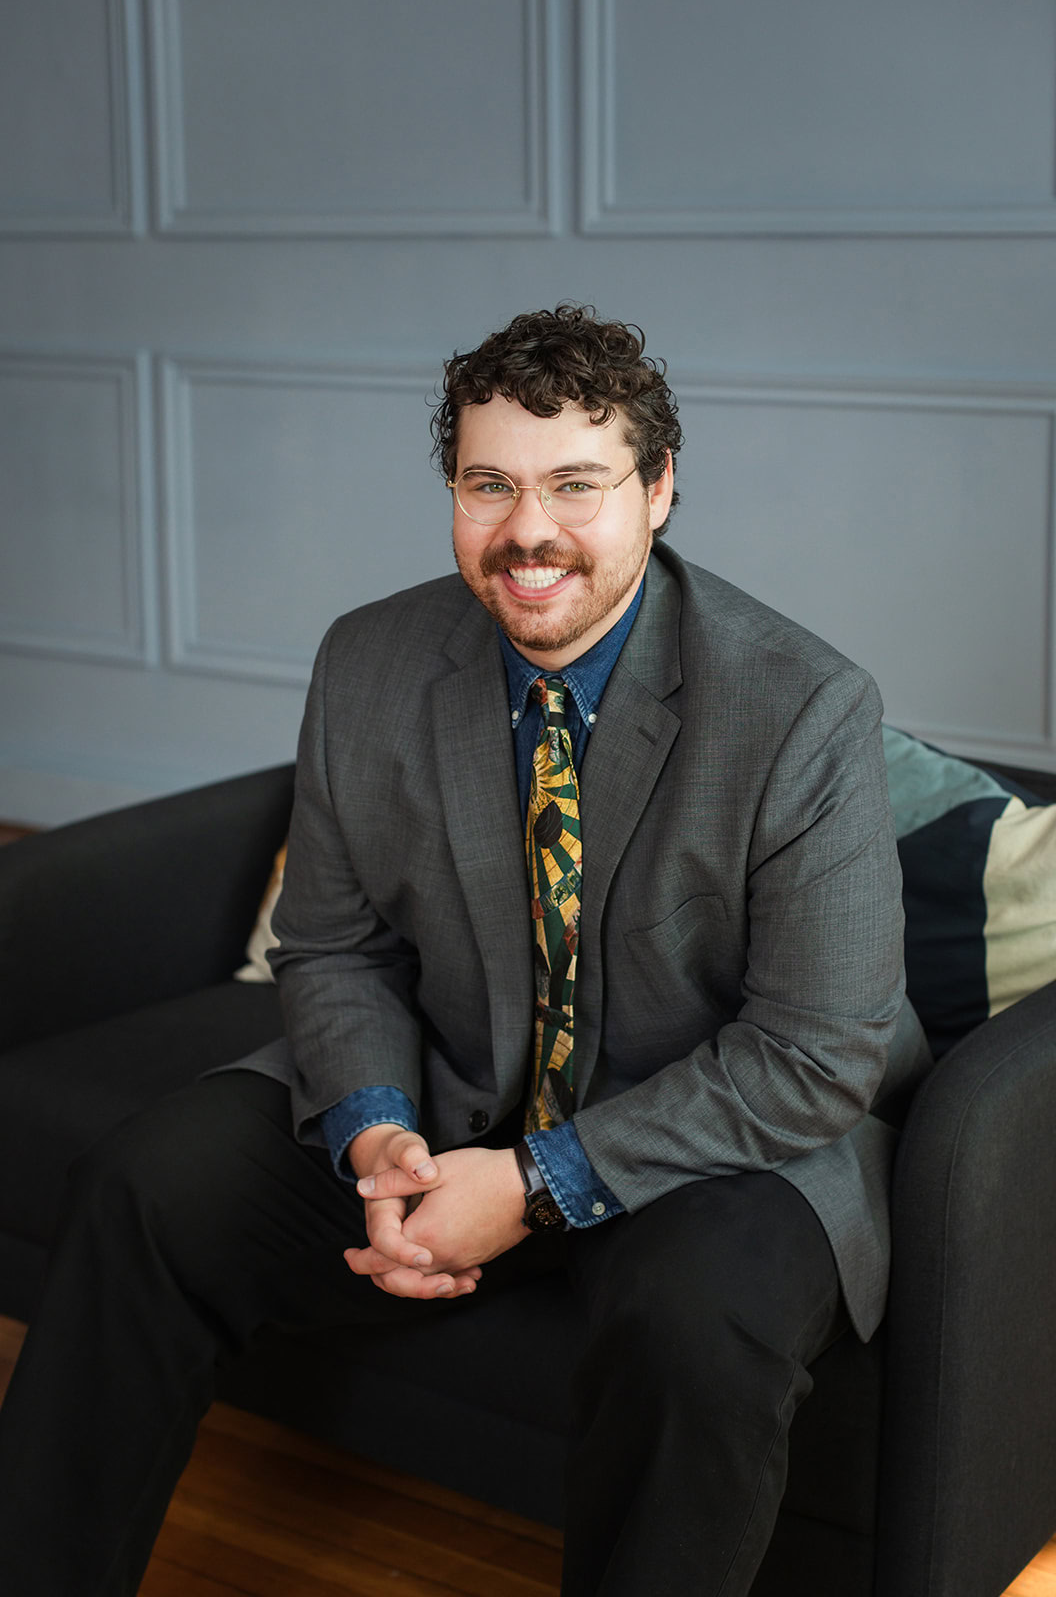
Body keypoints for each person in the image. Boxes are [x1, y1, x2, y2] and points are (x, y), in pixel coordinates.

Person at [0, 304, 930, 1595]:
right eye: (489, 485)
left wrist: (535, 1184)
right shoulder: (374, 658)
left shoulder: (802, 707)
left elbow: (817, 1056)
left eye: (576, 485)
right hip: (450, 1087)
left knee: (695, 1334)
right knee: (146, 1185)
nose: (527, 532)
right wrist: (377, 1131)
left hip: (717, 1132)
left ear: (659, 491)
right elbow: (332, 944)